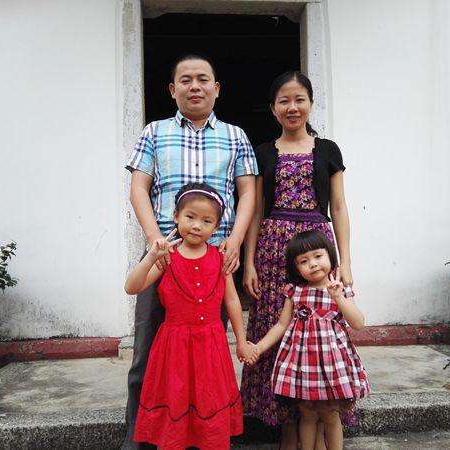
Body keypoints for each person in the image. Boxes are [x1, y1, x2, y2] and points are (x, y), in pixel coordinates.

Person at [123, 54, 257, 449]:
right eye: (185, 80)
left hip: (215, 262)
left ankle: (202, 437)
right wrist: (154, 241)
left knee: (207, 359)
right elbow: (138, 188)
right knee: (147, 356)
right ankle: (140, 440)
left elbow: (247, 191)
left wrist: (233, 241)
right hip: (164, 261)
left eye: (203, 79)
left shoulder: (235, 136)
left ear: (217, 88)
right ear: (172, 89)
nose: (194, 86)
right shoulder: (154, 132)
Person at [240, 71, 354, 449]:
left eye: (299, 99)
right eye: (284, 100)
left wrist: (346, 262)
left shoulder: (328, 150)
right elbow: (255, 210)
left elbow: (338, 207)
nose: (292, 107)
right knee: (279, 330)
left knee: (318, 336)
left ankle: (322, 423)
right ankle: (285, 427)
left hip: (318, 249)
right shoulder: (263, 152)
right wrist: (251, 262)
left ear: (310, 103)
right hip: (272, 254)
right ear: (273, 109)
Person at [125, 183, 256, 450]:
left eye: (206, 220)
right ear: (175, 217)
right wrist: (151, 255)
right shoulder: (167, 258)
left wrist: (241, 340)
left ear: (216, 226)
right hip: (174, 349)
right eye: (190, 217)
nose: (197, 225)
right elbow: (132, 287)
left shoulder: (220, 258)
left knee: (208, 400)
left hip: (211, 348)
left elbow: (231, 300)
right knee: (176, 400)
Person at [244, 230, 369, 450]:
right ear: (296, 268)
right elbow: (282, 325)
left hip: (332, 364)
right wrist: (260, 346)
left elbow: (358, 323)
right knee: (307, 414)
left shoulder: (340, 289)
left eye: (318, 256)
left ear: (330, 255)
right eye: (304, 261)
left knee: (331, 415)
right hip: (303, 364)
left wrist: (339, 297)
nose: (312, 264)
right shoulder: (295, 292)